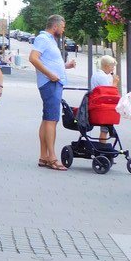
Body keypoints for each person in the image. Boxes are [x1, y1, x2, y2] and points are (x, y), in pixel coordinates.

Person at [28, 14, 74, 170]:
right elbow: (33, 58)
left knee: (47, 119)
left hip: (53, 83)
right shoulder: (43, 39)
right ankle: (52, 157)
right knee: (51, 120)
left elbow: (48, 61)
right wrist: (50, 75)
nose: (63, 29)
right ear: (55, 26)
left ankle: (44, 156)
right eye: (62, 26)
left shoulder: (50, 40)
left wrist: (65, 66)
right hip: (50, 84)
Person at [89, 54, 119, 140]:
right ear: (106, 66)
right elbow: (109, 92)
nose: (113, 69)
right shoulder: (103, 77)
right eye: (112, 66)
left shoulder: (96, 75)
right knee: (105, 129)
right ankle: (102, 144)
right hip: (103, 106)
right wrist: (115, 83)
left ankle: (102, 144)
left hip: (96, 103)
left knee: (105, 129)